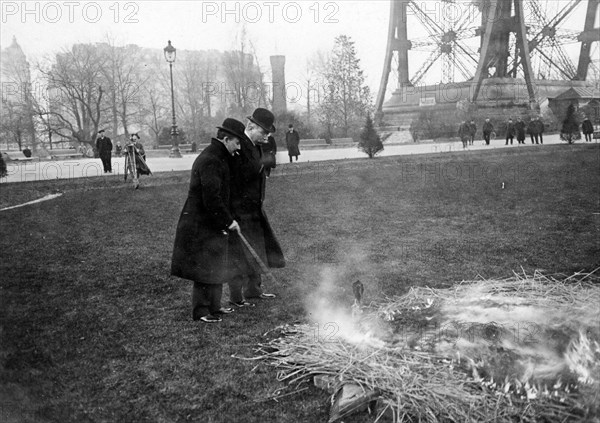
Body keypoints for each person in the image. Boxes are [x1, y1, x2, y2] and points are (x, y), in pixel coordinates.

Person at [171, 118, 243, 323]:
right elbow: (211, 198)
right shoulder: (211, 159)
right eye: (237, 143)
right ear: (226, 139)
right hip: (199, 222)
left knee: (216, 262)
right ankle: (201, 311)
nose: (238, 148)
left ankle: (215, 307)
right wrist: (228, 221)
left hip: (210, 220)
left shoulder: (219, 156)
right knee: (204, 267)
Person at [228, 108, 285, 308]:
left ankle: (254, 289)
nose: (267, 136)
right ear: (251, 127)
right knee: (238, 252)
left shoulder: (256, 145)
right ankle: (236, 297)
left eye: (268, 133)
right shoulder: (238, 146)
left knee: (258, 246)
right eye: (264, 132)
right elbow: (236, 178)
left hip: (254, 207)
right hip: (239, 209)